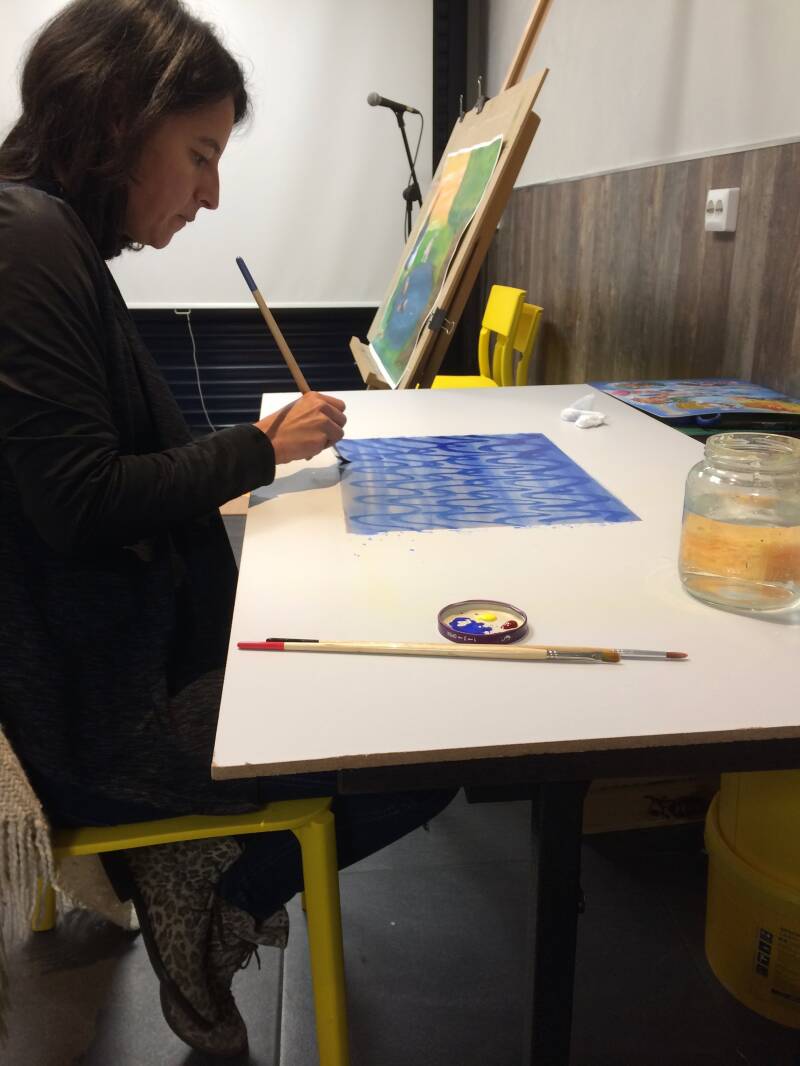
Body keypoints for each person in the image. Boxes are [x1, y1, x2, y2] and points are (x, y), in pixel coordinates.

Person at [0, 0, 454, 1056]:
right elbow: (83, 501)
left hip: (113, 669)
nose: (210, 194)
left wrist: (250, 455)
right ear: (117, 120)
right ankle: (202, 892)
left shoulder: (44, 235)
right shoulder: (25, 240)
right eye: (199, 155)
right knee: (433, 737)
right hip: (110, 715)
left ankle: (195, 878)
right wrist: (256, 450)